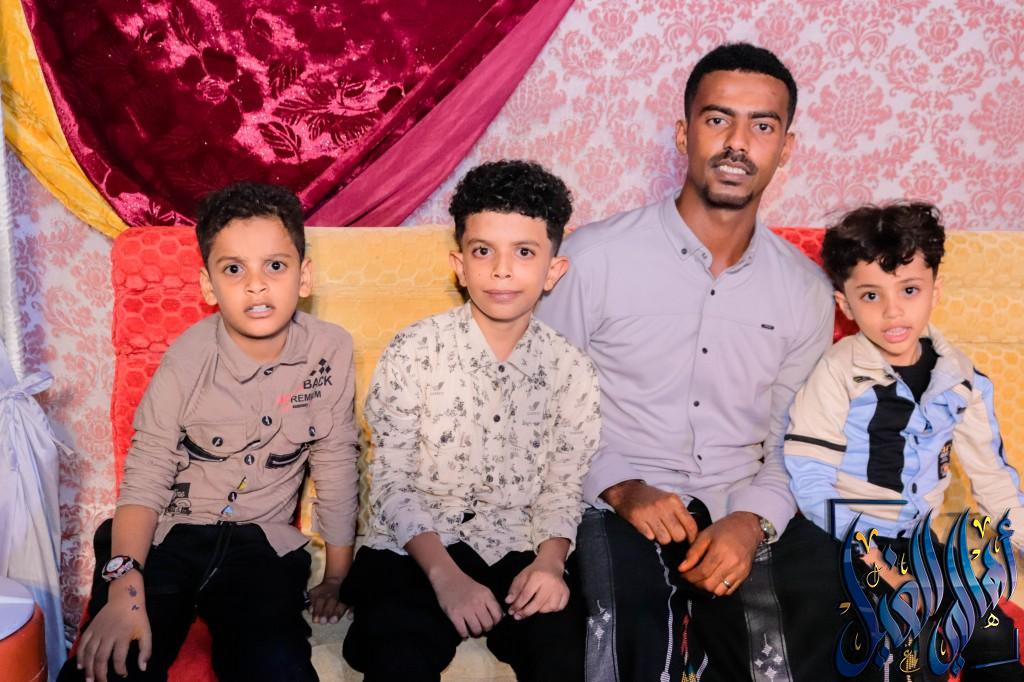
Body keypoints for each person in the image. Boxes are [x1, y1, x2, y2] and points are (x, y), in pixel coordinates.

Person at [535, 42, 843, 681]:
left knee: (814, 611)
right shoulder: (591, 260)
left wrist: (752, 521)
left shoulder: (805, 290)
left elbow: (796, 438)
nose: (738, 143)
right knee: (620, 621)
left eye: (762, 126)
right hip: (615, 501)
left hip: (740, 498)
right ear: (684, 133)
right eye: (717, 119)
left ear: (786, 148)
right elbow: (542, 405)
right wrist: (620, 486)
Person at [58, 182, 359, 682]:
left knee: (277, 665)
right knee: (111, 663)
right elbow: (145, 476)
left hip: (261, 547)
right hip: (168, 537)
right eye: (234, 269)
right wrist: (125, 589)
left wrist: (338, 575)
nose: (256, 286)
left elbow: (337, 462)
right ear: (208, 285)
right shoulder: (187, 359)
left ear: (304, 276)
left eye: (275, 266)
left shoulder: (330, 350)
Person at [340, 160, 600, 682]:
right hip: (416, 548)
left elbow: (563, 487)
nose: (502, 270)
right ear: (459, 265)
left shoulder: (571, 370)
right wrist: (446, 577)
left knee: (565, 651)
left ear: (553, 270)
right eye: (484, 251)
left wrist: (550, 563)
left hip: (516, 547)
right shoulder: (414, 350)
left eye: (524, 253)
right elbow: (391, 484)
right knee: (396, 649)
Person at [784, 202, 1024, 681]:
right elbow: (809, 475)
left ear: (935, 289)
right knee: (900, 634)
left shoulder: (962, 378)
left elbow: (992, 477)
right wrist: (870, 554)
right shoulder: (837, 373)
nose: (893, 311)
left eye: (909, 290)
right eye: (871, 295)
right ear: (845, 305)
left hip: (919, 540)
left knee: (992, 632)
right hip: (847, 537)